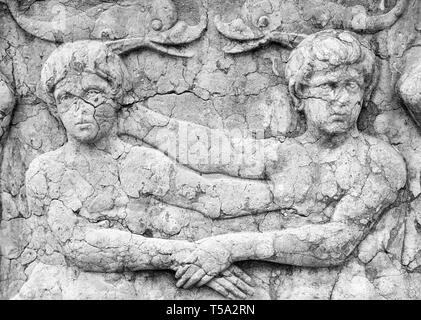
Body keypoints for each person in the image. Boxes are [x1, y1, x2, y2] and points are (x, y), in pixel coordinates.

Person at [122, 30, 407, 289]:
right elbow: (214, 152)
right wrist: (137, 122)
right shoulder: (287, 154)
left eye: (352, 86)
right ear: (299, 96)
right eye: (329, 86)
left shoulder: (379, 161)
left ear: (365, 94)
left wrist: (228, 247)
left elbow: (336, 243)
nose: (342, 99)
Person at [20, 40, 273, 299]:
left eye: (93, 94)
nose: (81, 109)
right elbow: (78, 245)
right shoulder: (46, 170)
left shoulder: (140, 162)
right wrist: (186, 255)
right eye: (66, 98)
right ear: (54, 106)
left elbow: (208, 196)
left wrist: (281, 195)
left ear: (116, 97)